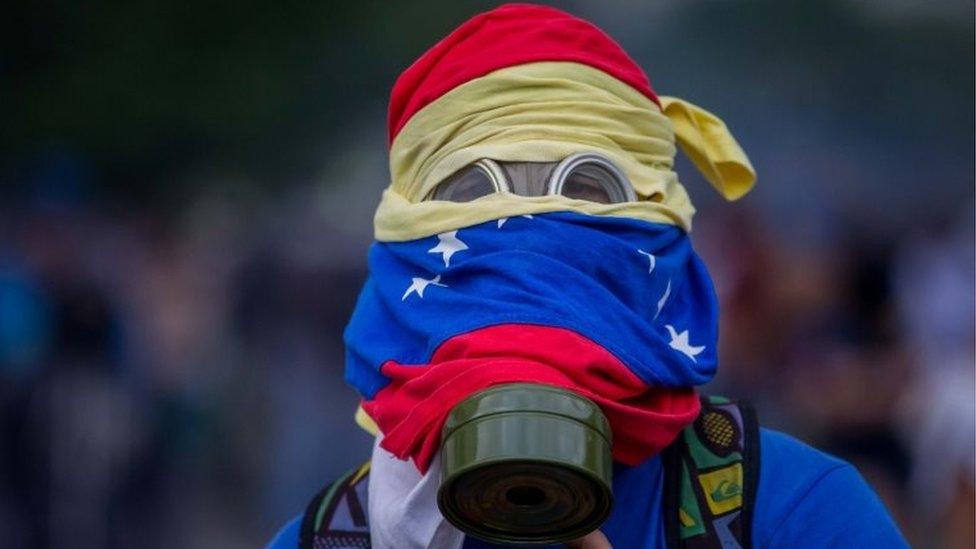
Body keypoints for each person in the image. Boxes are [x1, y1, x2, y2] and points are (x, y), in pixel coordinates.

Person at [268, 4, 905, 548]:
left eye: (587, 187)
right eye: (473, 191)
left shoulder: (790, 515)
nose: (527, 240)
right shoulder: (331, 536)